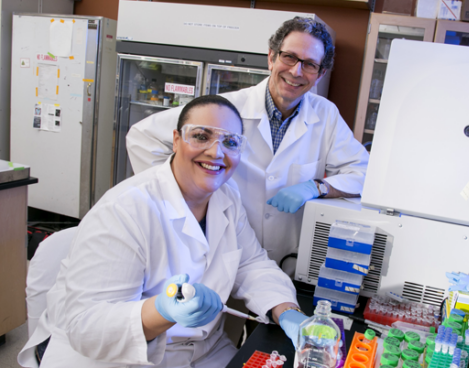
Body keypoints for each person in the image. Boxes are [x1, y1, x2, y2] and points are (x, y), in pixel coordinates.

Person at [18, 95, 307, 368]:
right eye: (201, 136)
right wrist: (162, 311)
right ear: (177, 140)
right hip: (124, 357)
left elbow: (251, 264)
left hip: (204, 351)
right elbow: (87, 327)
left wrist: (287, 311)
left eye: (230, 141)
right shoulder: (125, 210)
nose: (216, 151)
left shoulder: (226, 197)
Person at [127, 17, 369, 271]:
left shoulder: (326, 115)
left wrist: (315, 187)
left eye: (309, 64)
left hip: (288, 261)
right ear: (271, 58)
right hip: (223, 250)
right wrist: (181, 197)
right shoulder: (228, 108)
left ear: (320, 75)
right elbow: (143, 136)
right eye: (289, 57)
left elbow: (363, 174)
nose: (296, 71)